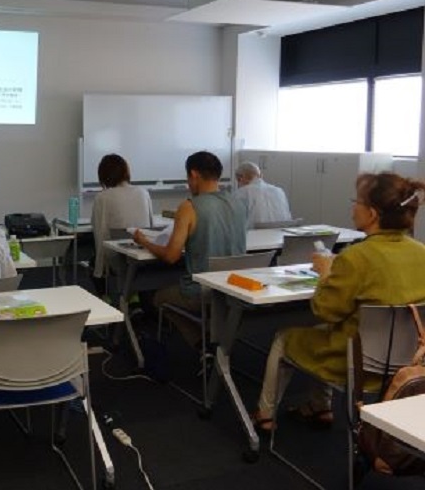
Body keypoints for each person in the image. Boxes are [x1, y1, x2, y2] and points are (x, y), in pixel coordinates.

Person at [252, 173, 425, 432]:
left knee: (283, 339)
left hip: (355, 361)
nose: (353, 208)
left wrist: (326, 274)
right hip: (408, 362)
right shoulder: (421, 252)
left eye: (357, 201)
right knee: (326, 332)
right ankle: (319, 406)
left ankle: (264, 415)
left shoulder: (355, 257)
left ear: (372, 213)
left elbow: (325, 310)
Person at [134, 151, 247, 347]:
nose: (188, 184)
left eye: (188, 178)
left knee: (159, 298)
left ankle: (200, 343)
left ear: (194, 175)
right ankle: (213, 337)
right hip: (234, 288)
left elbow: (171, 256)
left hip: (201, 291)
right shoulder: (237, 203)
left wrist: (144, 242)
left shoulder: (189, 207)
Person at [91, 154, 153, 292]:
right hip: (143, 255)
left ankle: (105, 297)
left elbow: (99, 232)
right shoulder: (143, 193)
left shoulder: (102, 197)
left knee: (92, 260)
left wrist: (100, 268)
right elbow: (150, 226)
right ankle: (132, 295)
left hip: (118, 258)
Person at [235, 161, 293, 228]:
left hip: (254, 233)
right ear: (261, 175)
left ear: (240, 178)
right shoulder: (279, 191)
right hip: (280, 233)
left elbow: (235, 222)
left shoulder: (241, 193)